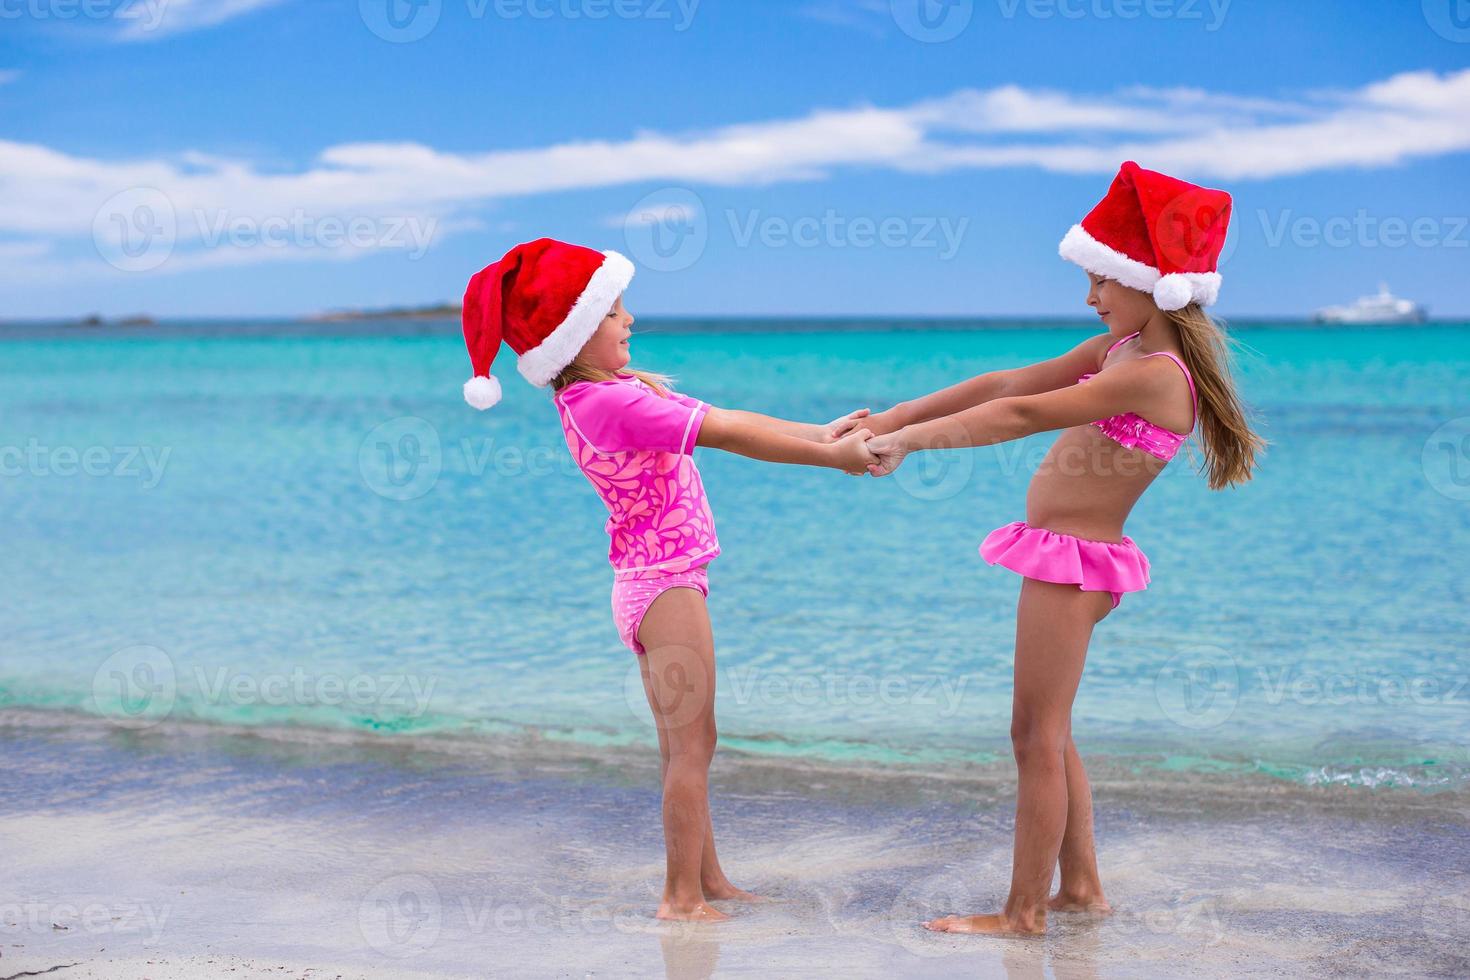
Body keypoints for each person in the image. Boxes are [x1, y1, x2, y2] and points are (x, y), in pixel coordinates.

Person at [845, 162, 1266, 935]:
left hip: (1075, 566)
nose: (1090, 296)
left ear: (1153, 284)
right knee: (1052, 730)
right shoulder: (1121, 352)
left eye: (1102, 278)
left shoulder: (1156, 376)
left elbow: (1025, 415)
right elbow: (1008, 381)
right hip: (1069, 558)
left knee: (1032, 736)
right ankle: (1080, 889)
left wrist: (906, 443)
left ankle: (1023, 913)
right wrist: (897, 412)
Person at [460, 238, 876, 921]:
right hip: (664, 586)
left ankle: (707, 880)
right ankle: (680, 897)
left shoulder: (607, 394)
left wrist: (821, 433)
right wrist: (833, 461)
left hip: (652, 580)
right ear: (573, 332)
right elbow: (729, 430)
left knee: (682, 744)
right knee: (694, 744)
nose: (629, 320)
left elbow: (731, 414)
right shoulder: (611, 405)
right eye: (613, 309)